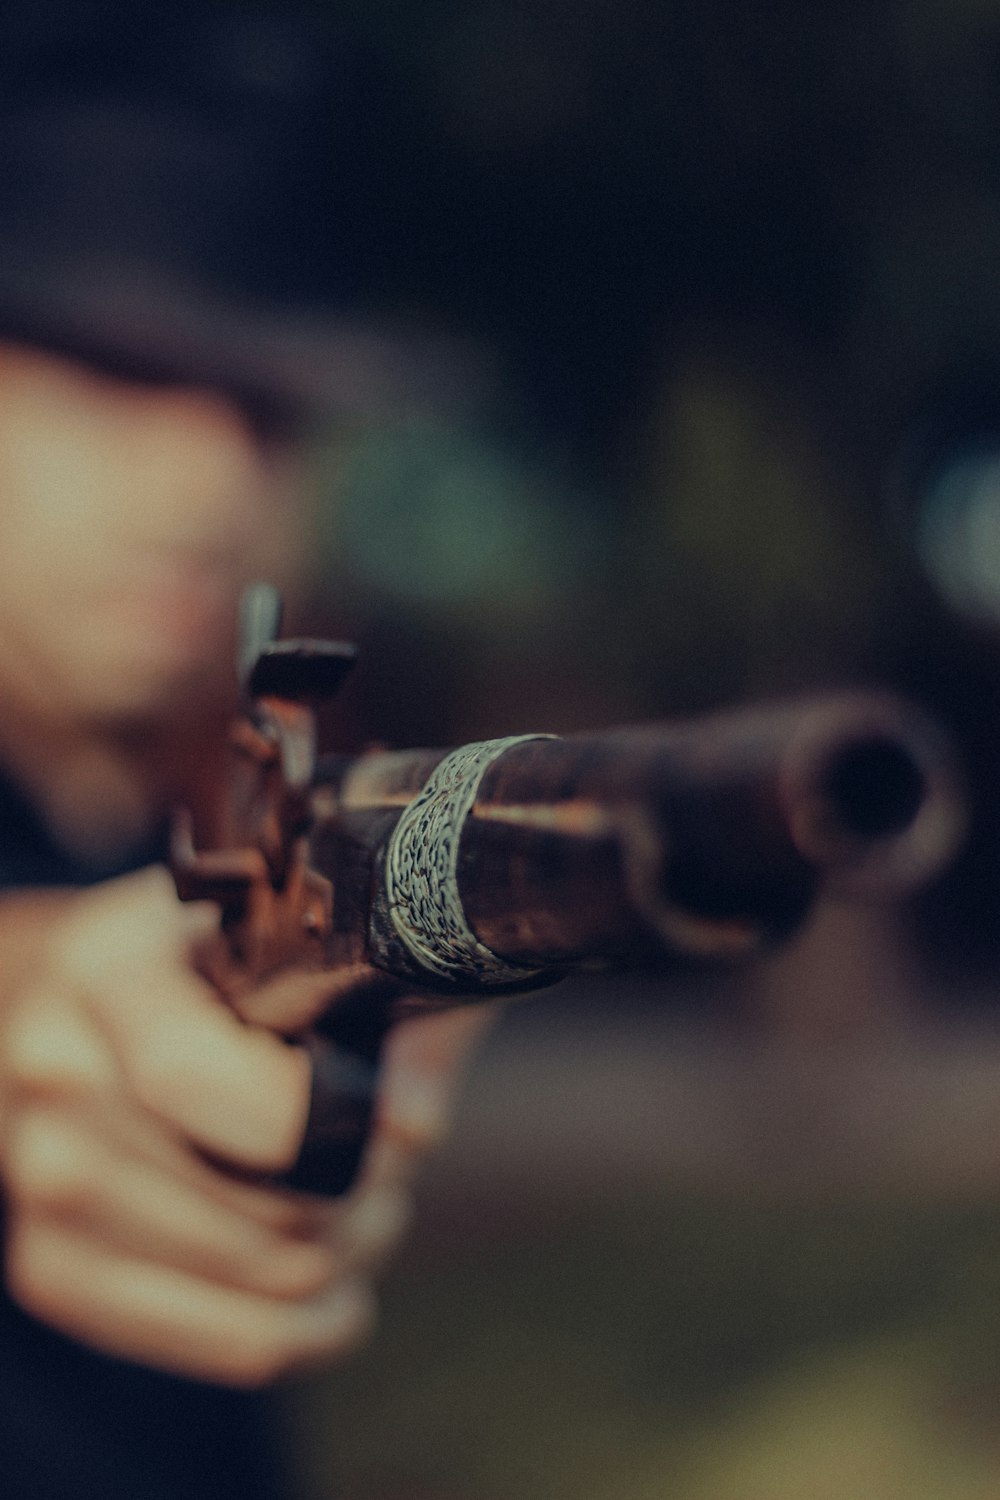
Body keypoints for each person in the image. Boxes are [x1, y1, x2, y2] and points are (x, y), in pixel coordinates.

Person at [0, 6, 486, 1497]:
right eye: (114, 375)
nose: (211, 480)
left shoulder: (199, 780)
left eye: (265, 409)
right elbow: (52, 980)